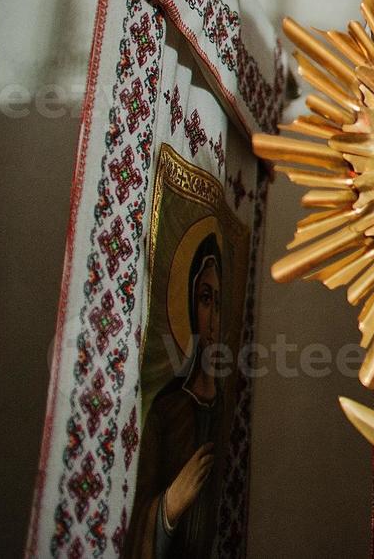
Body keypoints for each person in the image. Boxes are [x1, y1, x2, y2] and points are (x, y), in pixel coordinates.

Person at [127, 233, 224, 558]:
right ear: (189, 305)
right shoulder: (166, 410)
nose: (213, 319)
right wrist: (169, 506)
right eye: (205, 299)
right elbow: (136, 513)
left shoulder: (225, 408)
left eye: (219, 303)